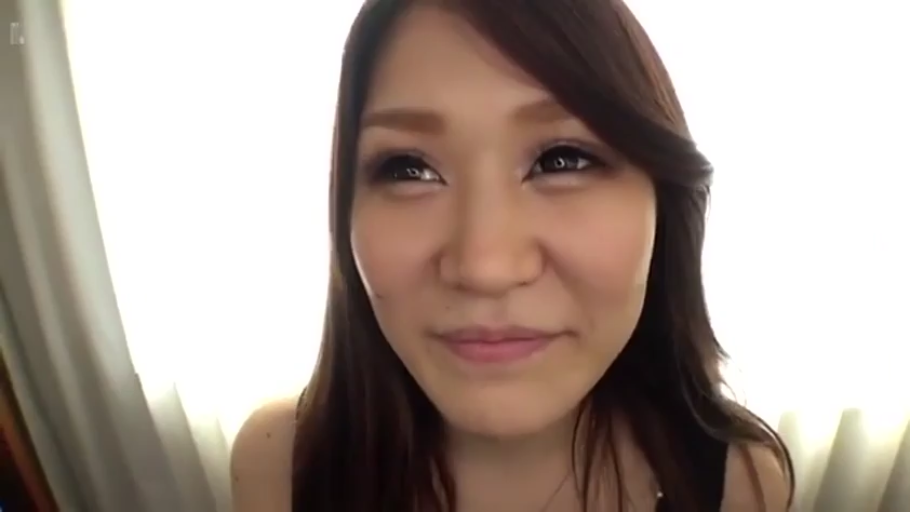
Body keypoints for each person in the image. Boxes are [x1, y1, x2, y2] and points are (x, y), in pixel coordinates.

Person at [230, 0, 794, 510]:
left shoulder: (741, 484)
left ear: (663, 204)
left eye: (563, 159)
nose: (485, 267)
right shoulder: (279, 464)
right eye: (407, 168)